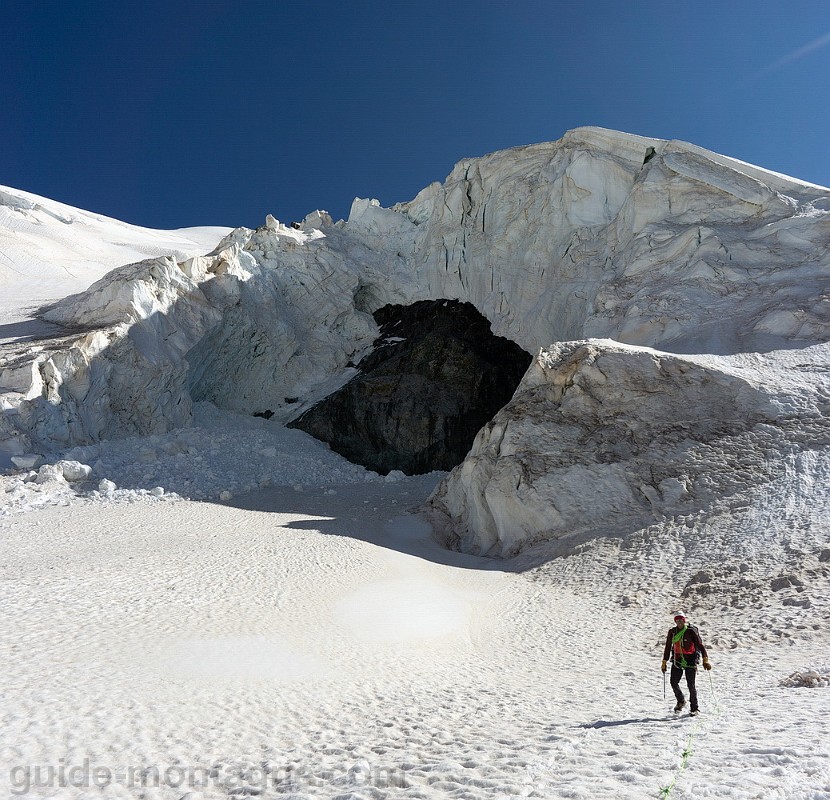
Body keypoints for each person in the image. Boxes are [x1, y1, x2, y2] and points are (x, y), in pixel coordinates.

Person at [661, 611, 711, 715]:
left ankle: (694, 708)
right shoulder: (672, 632)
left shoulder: (690, 631)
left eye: (681, 620)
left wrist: (705, 659)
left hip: (690, 659)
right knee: (673, 682)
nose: (679, 622)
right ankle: (681, 701)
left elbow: (700, 645)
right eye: (677, 620)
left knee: (691, 685)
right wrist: (664, 662)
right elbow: (668, 647)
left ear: (684, 620)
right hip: (677, 659)